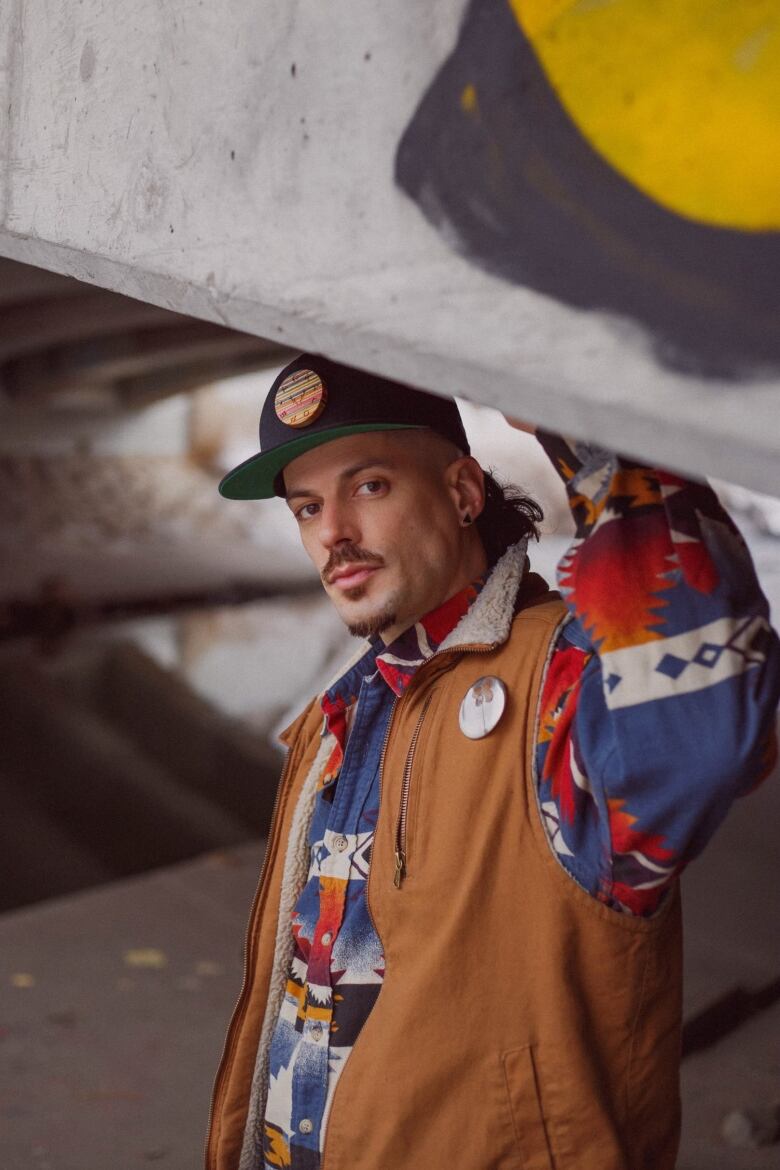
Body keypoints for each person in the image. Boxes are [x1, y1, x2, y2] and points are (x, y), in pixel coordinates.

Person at [207, 354, 779, 1170]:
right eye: (307, 506)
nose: (333, 532)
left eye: (369, 487)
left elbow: (709, 716)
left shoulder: (566, 695)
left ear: (464, 493)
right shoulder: (336, 720)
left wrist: (587, 431)